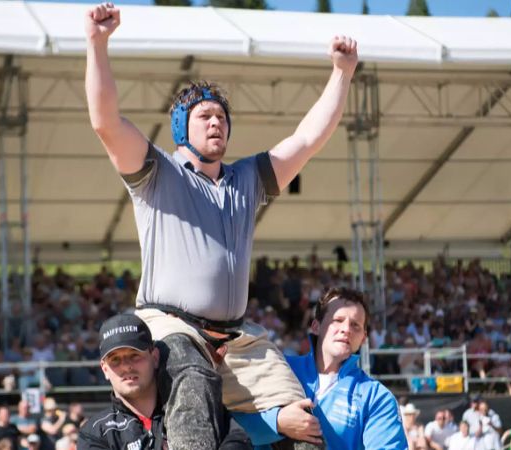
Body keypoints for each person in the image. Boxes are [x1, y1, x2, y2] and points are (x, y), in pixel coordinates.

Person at [84, 2, 358, 448]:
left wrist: (342, 74)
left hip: (238, 335)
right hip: (169, 324)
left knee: (304, 421)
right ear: (182, 129)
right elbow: (105, 122)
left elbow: (307, 140)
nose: (216, 122)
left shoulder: (246, 178)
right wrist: (97, 44)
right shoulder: (158, 172)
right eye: (204, 116)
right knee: (191, 384)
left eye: (222, 117)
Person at [249, 287, 407, 449]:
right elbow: (235, 420)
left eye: (355, 325)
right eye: (337, 320)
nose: (346, 329)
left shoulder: (376, 397)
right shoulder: (280, 367)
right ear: (316, 326)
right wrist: (278, 422)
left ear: (363, 338)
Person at [78, 314, 250, 450]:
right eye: (115, 360)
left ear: (154, 357)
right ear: (104, 369)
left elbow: (238, 440)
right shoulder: (95, 433)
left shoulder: (194, 405)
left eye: (134, 355)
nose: (126, 367)